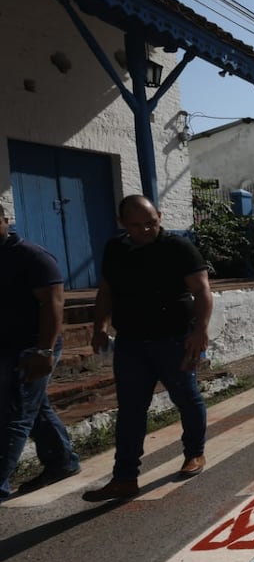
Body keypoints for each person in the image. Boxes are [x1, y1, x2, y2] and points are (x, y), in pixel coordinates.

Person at [82, 196, 212, 502]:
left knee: (186, 397)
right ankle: (125, 478)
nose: (146, 230)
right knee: (130, 411)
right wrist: (100, 326)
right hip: (130, 344)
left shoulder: (178, 248)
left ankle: (194, 453)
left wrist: (200, 330)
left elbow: (202, 290)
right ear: (122, 224)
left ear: (160, 216)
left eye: (151, 222)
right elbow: (106, 291)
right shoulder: (115, 249)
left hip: (175, 340)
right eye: (137, 225)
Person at [0, 204, 80, 501]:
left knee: (15, 412)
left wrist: (44, 350)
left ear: (5, 220)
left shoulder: (33, 257)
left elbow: (53, 305)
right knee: (33, 407)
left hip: (34, 345)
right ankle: (62, 462)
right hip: (6, 345)